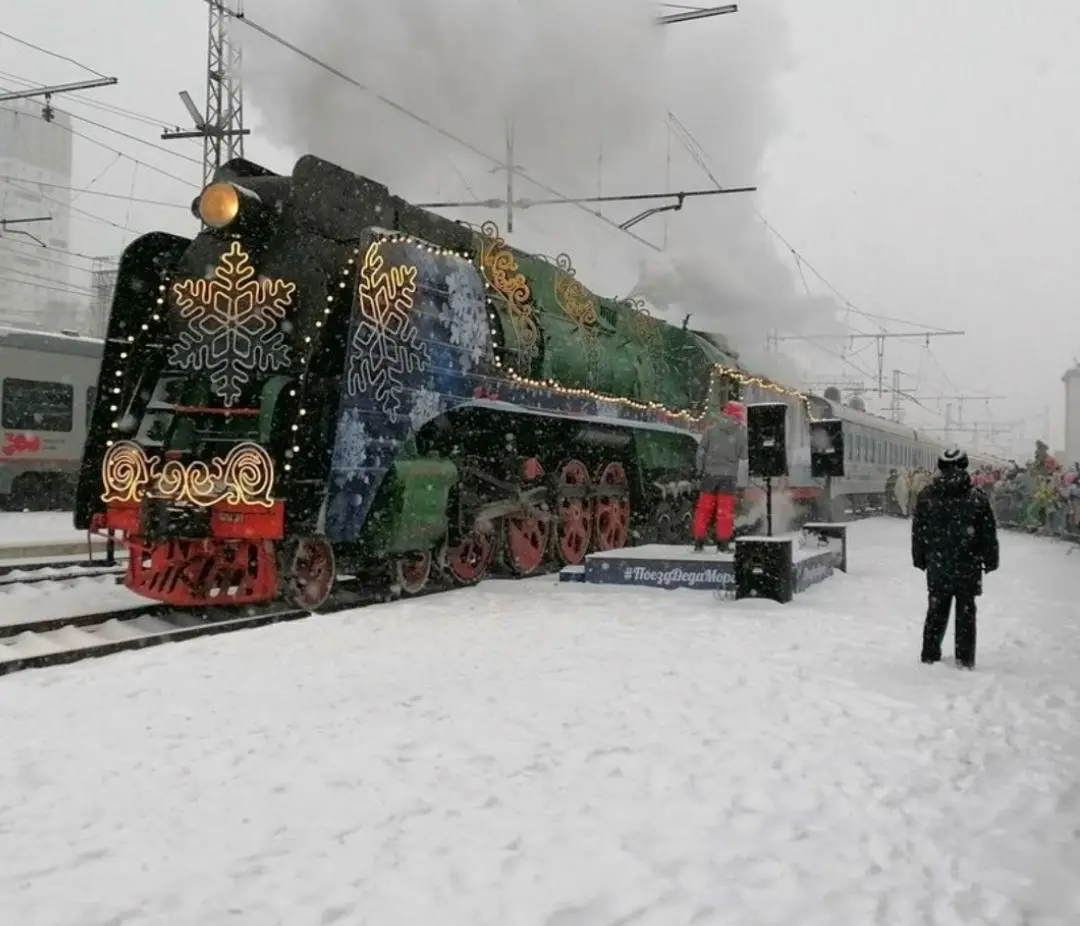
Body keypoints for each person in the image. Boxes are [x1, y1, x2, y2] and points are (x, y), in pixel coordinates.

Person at [911, 445, 999, 669]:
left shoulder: (927, 496)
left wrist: (920, 557)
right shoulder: (977, 498)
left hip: (938, 564)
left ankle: (930, 655)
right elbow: (987, 532)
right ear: (965, 465)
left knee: (936, 610)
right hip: (967, 564)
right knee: (966, 612)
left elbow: (919, 530)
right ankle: (965, 658)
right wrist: (990, 559)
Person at [692, 401, 747, 552]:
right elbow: (743, 455)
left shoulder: (711, 430)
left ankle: (698, 541)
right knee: (724, 511)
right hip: (728, 477)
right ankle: (722, 543)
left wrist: (700, 469)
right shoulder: (740, 433)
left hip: (709, 474)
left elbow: (701, 452)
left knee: (703, 509)